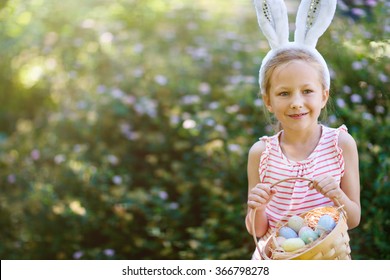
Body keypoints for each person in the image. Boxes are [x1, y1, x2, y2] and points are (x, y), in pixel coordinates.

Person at [246, 0, 361, 259]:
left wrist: (337, 194)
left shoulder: (340, 144)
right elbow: (257, 228)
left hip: (326, 256)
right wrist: (258, 207)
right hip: (277, 258)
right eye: (284, 93)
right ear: (268, 101)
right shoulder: (261, 153)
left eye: (307, 91)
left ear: (323, 95)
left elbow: (353, 218)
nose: (297, 102)